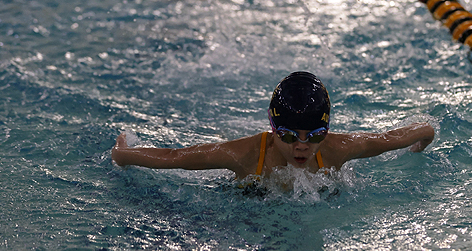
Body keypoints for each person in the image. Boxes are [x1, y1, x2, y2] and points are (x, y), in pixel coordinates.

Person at [111, 72, 435, 182]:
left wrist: (422, 138)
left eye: (315, 136)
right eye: (289, 136)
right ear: (273, 128)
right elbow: (176, 157)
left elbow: (391, 138)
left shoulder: (338, 149)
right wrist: (124, 154)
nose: (302, 146)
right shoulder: (244, 155)